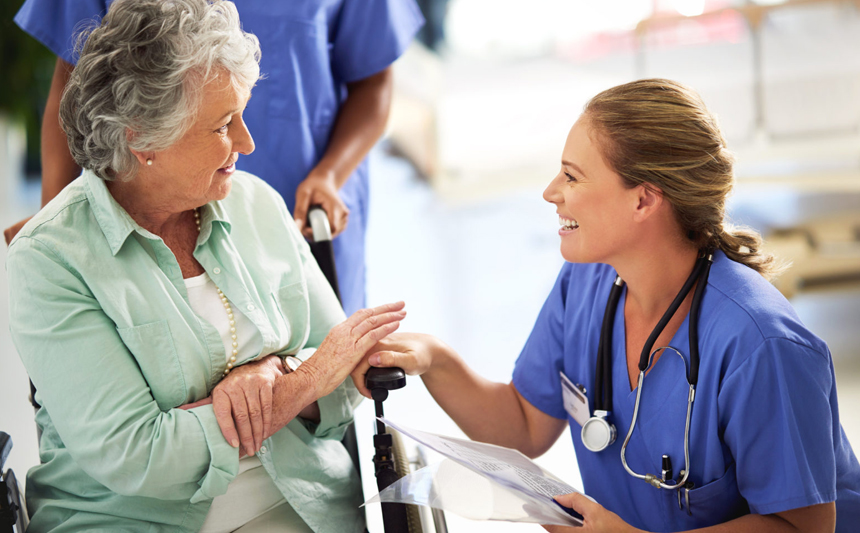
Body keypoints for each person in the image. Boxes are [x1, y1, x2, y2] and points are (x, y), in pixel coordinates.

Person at [351, 79, 860, 532]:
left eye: (572, 177)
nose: (552, 193)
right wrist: (434, 358)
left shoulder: (761, 345)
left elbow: (804, 526)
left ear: (643, 200)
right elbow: (523, 426)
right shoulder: (588, 282)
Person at [6, 1, 406, 531]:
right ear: (141, 137)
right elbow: (139, 454)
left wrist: (275, 373)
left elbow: (349, 374)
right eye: (223, 125)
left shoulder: (257, 203)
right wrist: (299, 382)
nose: (247, 142)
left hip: (306, 505)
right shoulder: (49, 257)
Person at [10, 0, 425, 315]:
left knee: (324, 370)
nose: (246, 142)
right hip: (146, 221)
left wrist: (330, 176)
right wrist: (57, 228)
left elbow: (374, 82)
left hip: (302, 213)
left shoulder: (262, 203)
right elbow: (75, 84)